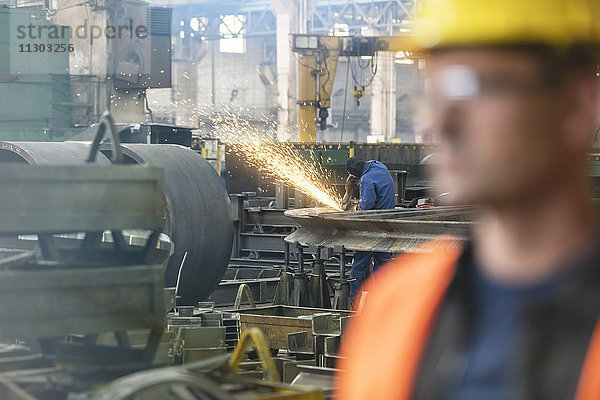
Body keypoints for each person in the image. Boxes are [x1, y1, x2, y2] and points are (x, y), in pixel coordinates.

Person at [336, 1, 600, 399]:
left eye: (474, 87)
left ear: (578, 107)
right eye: (437, 92)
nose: (440, 124)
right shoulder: (395, 308)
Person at [344, 156, 395, 300]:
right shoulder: (378, 165)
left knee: (359, 264)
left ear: (354, 173)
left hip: (372, 228)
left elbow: (366, 206)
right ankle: (381, 301)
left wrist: (354, 208)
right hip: (388, 225)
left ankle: (355, 303)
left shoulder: (366, 180)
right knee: (382, 266)